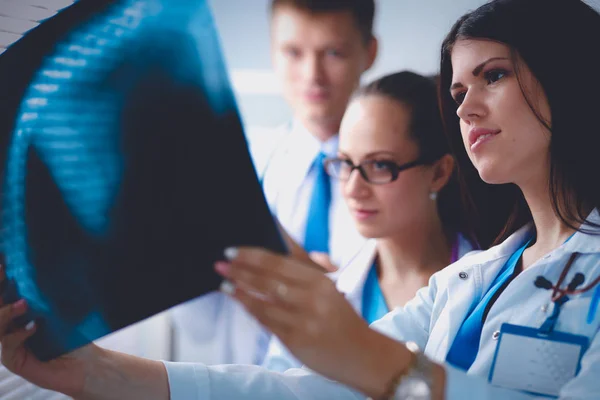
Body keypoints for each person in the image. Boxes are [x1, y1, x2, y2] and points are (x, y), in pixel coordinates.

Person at [3, 0, 600, 399]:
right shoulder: (467, 281)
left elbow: (363, 365)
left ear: (569, 76)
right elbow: (291, 389)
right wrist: (88, 371)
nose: (465, 108)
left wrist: (379, 363)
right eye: (458, 88)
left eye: (492, 76)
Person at [169, 0, 377, 365]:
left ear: (369, 52)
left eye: (333, 52)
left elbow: (396, 320)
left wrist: (301, 268)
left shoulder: (405, 177)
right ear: (272, 53)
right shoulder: (234, 168)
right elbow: (199, 329)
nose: (312, 74)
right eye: (293, 52)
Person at [262, 71, 475, 372]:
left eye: (379, 165)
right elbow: (274, 386)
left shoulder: (488, 287)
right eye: (346, 163)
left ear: (439, 173)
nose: (352, 189)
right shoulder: (337, 293)